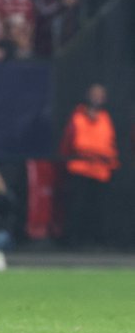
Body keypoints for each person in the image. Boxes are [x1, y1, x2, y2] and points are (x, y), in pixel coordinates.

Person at [59, 83, 119, 246]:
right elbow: (68, 144)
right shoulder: (77, 117)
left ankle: (96, 241)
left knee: (98, 210)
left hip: (100, 172)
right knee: (76, 207)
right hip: (80, 169)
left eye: (100, 95)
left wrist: (111, 164)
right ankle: (72, 241)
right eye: (94, 94)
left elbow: (110, 144)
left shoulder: (106, 118)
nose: (97, 98)